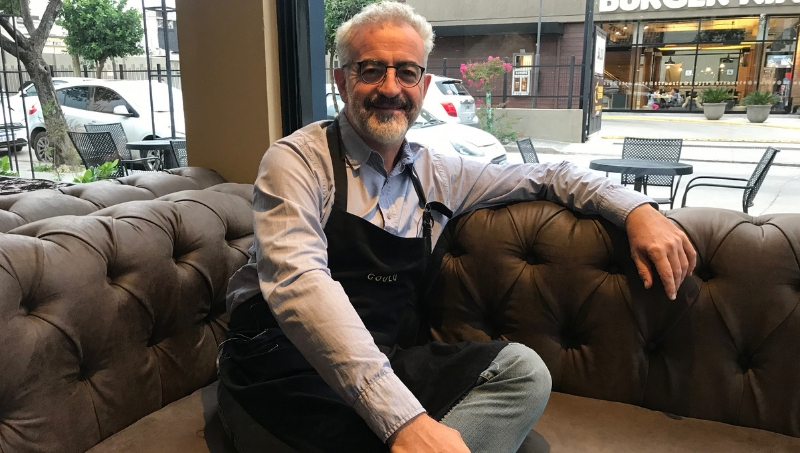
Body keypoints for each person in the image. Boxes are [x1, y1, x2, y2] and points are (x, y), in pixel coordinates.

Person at [217, 2, 696, 453]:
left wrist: (638, 211)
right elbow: (300, 283)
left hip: (382, 357)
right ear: (342, 81)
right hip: (278, 365)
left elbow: (550, 175)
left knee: (522, 372)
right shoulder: (296, 161)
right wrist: (404, 422)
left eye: (407, 72)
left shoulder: (440, 174)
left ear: (424, 86)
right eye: (371, 69)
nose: (390, 88)